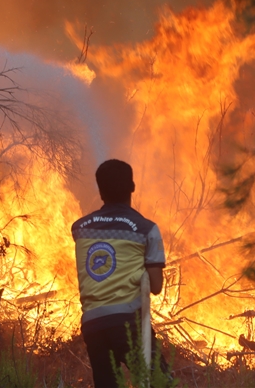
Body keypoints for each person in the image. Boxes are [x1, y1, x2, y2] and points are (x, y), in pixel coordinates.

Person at [71, 159, 169, 387]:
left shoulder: (80, 228)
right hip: (128, 322)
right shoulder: (147, 229)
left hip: (93, 324)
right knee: (161, 382)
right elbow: (155, 286)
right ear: (132, 187)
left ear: (100, 191)